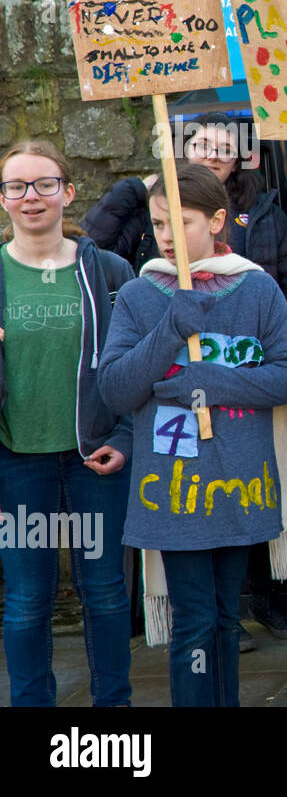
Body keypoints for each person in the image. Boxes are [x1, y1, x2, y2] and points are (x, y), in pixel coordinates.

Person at [82, 110, 287, 648]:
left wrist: (209, 381)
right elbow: (116, 389)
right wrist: (169, 331)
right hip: (172, 497)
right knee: (194, 627)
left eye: (180, 223)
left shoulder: (255, 289)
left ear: (216, 222)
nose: (166, 236)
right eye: (158, 224)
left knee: (226, 624)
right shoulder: (141, 294)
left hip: (238, 485)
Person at [0, 141, 135, 707]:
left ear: (68, 191)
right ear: (3, 199)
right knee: (28, 599)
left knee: (104, 594)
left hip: (96, 456)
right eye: (16, 187)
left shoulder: (106, 270)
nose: (31, 197)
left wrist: (126, 438)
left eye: (44, 184)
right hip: (15, 458)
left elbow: (137, 366)